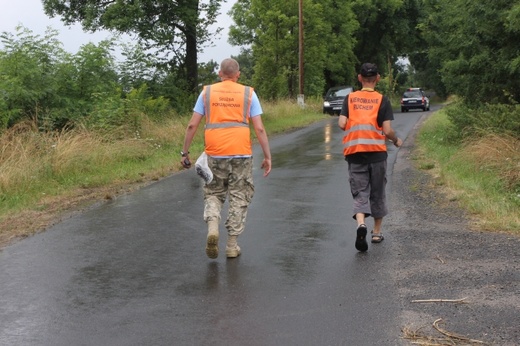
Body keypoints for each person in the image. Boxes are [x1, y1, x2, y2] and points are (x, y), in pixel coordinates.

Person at [180, 58, 272, 259]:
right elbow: (259, 128)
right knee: (239, 196)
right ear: (238, 74)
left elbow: (192, 125)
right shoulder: (248, 93)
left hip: (215, 153)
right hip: (241, 154)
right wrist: (267, 156)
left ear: (220, 73)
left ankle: (213, 226)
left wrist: (184, 153)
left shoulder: (207, 93)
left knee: (214, 192)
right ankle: (232, 245)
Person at [338, 63, 402, 252]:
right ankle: (376, 232)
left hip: (355, 153)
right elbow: (387, 130)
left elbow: (342, 123)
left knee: (360, 192)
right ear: (378, 78)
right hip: (376, 154)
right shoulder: (382, 100)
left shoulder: (350, 98)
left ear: (360, 78)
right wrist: (396, 140)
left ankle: (361, 225)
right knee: (378, 191)